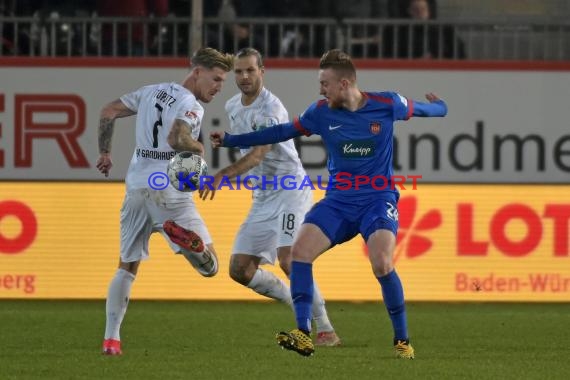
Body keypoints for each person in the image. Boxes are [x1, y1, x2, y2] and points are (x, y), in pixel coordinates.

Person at [210, 49, 448, 358]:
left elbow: (424, 111)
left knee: (382, 263)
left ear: (345, 83)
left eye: (325, 83)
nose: (320, 90)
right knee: (299, 254)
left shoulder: (387, 103)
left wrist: (441, 106)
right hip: (337, 201)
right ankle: (305, 333)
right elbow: (282, 132)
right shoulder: (320, 112)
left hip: (377, 199)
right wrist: (231, 140)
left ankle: (402, 340)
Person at [96, 47, 234, 356]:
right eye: (216, 79)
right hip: (169, 190)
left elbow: (108, 111)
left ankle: (111, 340)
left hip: (135, 189)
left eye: (222, 83)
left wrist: (105, 153)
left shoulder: (150, 91)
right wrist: (198, 148)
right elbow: (176, 138)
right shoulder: (192, 106)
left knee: (126, 267)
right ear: (196, 71)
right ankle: (189, 244)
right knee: (210, 267)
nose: (218, 88)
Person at [199, 47, 341, 346]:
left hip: (291, 190)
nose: (245, 76)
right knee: (240, 269)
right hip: (263, 197)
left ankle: (326, 328)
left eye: (250, 70)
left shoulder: (271, 108)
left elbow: (258, 153)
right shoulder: (233, 106)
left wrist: (223, 174)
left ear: (262, 72)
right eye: (239, 71)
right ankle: (296, 302)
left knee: (289, 259)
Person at [383, 0, 466, 59]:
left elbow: (459, 53)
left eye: (423, 9)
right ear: (409, 11)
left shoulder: (445, 31)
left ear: (429, 11)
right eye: (416, 10)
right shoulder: (397, 33)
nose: (420, 13)